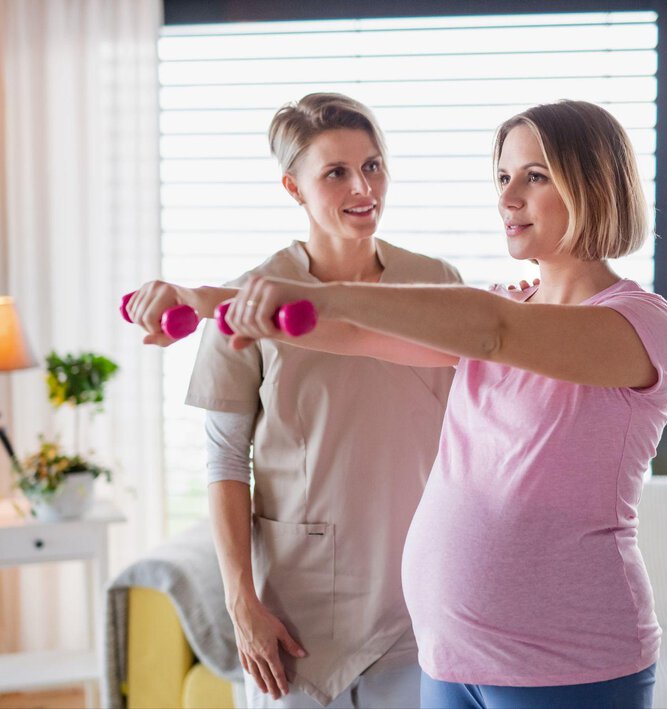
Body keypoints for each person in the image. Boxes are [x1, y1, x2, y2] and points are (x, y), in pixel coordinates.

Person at [216, 100, 667, 709]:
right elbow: (359, 338)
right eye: (502, 177)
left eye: (534, 176)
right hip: (449, 655)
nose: (508, 197)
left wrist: (323, 295)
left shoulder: (639, 323)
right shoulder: (506, 305)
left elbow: (495, 332)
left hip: (566, 661)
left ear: (593, 185)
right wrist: (204, 301)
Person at [125, 93, 462, 708]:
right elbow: (226, 463)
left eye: (373, 165)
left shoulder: (437, 284)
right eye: (335, 172)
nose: (363, 186)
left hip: (419, 595)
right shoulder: (247, 305)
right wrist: (241, 602)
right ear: (293, 187)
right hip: (297, 610)